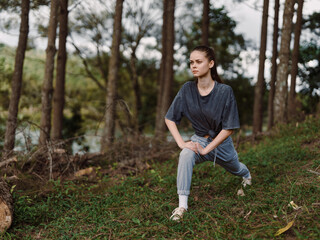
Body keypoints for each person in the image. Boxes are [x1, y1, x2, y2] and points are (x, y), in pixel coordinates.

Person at [165, 45, 252, 221]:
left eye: (199, 61)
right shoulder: (187, 89)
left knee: (235, 168)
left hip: (221, 144)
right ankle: (182, 206)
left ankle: (247, 175)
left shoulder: (224, 91)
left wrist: (207, 150)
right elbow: (170, 118)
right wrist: (182, 143)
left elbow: (229, 128)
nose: (193, 66)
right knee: (185, 155)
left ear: (211, 63)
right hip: (198, 141)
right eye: (191, 62)